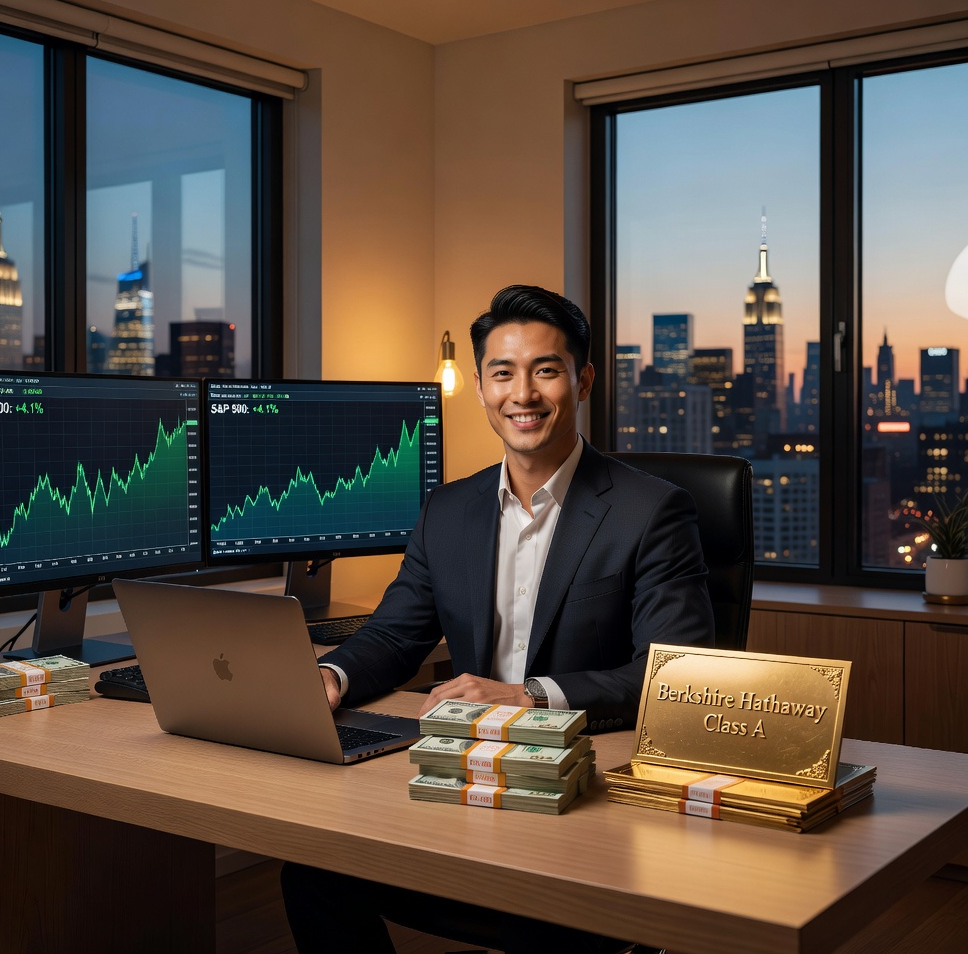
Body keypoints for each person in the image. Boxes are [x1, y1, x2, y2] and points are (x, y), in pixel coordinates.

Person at [280, 283, 715, 954]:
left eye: (546, 370)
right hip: (466, 772)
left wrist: (526, 696)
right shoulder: (447, 510)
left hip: (581, 788)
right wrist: (332, 676)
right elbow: (397, 634)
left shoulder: (651, 511)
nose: (524, 394)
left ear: (584, 380)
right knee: (312, 871)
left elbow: (675, 674)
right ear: (480, 386)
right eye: (503, 373)